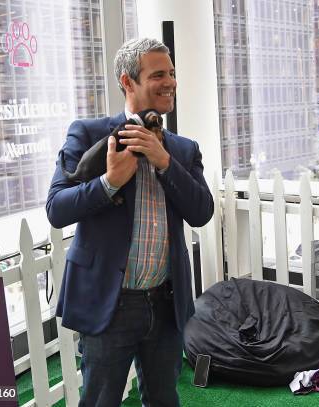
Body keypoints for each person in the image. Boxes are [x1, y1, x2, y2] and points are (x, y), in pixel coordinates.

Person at [46, 38, 214, 406]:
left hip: (166, 303)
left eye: (172, 73)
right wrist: (109, 183)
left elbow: (202, 212)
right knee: (101, 400)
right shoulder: (88, 134)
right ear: (127, 82)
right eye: (158, 75)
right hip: (109, 304)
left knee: (163, 398)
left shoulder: (183, 149)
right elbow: (57, 209)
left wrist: (164, 160)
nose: (170, 82)